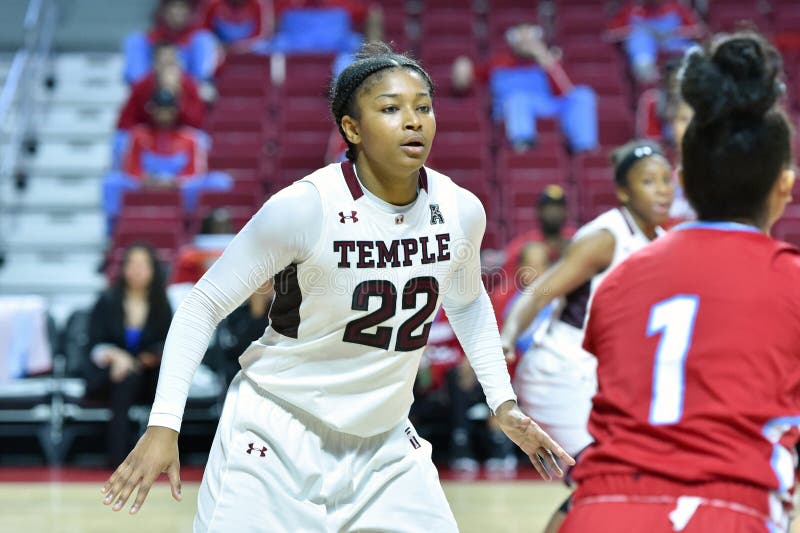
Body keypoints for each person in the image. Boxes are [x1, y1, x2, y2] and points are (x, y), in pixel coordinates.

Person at [99, 42, 573, 530]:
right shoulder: (304, 207)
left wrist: (504, 403)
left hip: (385, 442)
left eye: (423, 107)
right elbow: (202, 305)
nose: (413, 121)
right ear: (352, 128)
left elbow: (469, 304)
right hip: (276, 432)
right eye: (390, 108)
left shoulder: (460, 210)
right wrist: (163, 424)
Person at [560, 31, 799, 533]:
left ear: (683, 182)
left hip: (597, 513)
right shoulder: (789, 279)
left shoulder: (620, 280)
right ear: (785, 186)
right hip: (726, 511)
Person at [500, 139, 674, 533]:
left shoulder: (663, 242)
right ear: (625, 191)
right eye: (649, 181)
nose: (663, 188)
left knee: (615, 483)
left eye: (666, 179)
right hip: (558, 373)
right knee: (607, 478)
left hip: (598, 379)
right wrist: (508, 338)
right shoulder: (606, 236)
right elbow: (539, 291)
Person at [83, 243, 173, 466]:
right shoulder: (107, 301)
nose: (137, 270)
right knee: (125, 380)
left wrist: (150, 357)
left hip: (149, 373)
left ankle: (161, 455)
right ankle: (120, 459)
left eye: (143, 265)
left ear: (153, 270)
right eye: (132, 264)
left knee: (166, 384)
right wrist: (115, 356)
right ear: (123, 268)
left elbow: (169, 343)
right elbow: (93, 345)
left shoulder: (162, 304)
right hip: (112, 375)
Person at [102, 88, 232, 233]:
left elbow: (194, 172)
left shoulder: (191, 138)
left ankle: (197, 231)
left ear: (175, 110)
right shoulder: (138, 136)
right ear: (151, 109)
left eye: (168, 110)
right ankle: (113, 234)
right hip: (144, 186)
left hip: (179, 188)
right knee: (111, 182)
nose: (164, 115)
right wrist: (146, 180)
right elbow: (132, 168)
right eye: (160, 110)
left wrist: (175, 182)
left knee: (220, 182)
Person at [453, 24, 597, 152]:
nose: (527, 43)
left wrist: (545, 59)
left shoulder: (547, 59)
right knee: (518, 98)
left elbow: (564, 91)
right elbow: (468, 78)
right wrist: (462, 67)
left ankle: (583, 147)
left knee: (583, 95)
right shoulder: (498, 63)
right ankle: (523, 142)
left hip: (545, 103)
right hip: (512, 107)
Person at [114, 42, 206, 169]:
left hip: (179, 137)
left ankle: (187, 179)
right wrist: (152, 112)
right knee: (121, 139)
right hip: (149, 136)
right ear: (155, 64)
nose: (167, 68)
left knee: (202, 139)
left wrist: (178, 95)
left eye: (171, 63)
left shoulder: (189, 85)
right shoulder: (143, 85)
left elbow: (197, 122)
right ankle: (130, 177)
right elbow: (124, 122)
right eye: (163, 63)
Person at [124, 0, 220, 89]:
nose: (177, 12)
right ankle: (139, 91)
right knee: (134, 40)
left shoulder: (198, 39)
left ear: (190, 12)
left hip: (187, 91)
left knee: (204, 39)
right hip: (151, 92)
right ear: (164, 11)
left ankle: (202, 86)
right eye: (173, 7)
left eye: (182, 8)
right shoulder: (149, 39)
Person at [606, 0, 703, 83]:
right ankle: (646, 71)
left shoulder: (676, 7)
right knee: (639, 38)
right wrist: (635, 31)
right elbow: (610, 34)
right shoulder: (632, 9)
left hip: (673, 45)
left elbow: (698, 31)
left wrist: (675, 32)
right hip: (646, 53)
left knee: (695, 48)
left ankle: (694, 74)